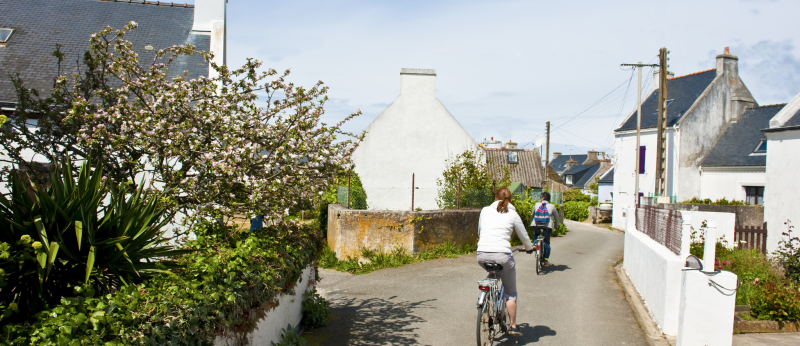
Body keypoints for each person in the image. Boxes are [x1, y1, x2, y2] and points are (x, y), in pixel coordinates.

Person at [477, 187, 534, 336]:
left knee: (493, 271)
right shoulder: (513, 214)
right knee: (510, 291)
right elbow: (524, 236)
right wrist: (529, 248)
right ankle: (513, 326)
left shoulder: (484, 210)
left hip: (482, 254)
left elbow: (480, 231)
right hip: (502, 255)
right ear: (510, 200)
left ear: (495, 198)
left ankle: (485, 294)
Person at [531, 192, 560, 267]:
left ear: (542, 198)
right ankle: (546, 260)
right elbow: (557, 217)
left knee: (536, 235)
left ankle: (535, 244)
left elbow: (532, 214)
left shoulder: (537, 204)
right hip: (547, 226)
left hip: (536, 224)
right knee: (546, 242)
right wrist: (556, 225)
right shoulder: (552, 206)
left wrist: (532, 223)